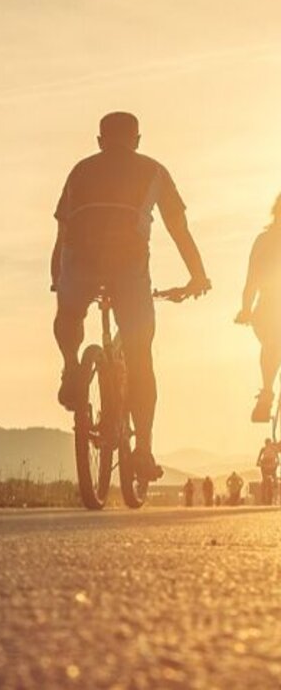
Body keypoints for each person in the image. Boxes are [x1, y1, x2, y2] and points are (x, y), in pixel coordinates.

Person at [51, 112, 211, 482]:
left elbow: (61, 233)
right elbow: (178, 228)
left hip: (79, 260)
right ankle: (142, 450)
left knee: (69, 313)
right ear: (137, 140)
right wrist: (197, 275)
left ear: (99, 140)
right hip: (127, 266)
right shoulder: (154, 170)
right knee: (140, 358)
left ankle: (72, 368)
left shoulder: (79, 171)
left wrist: (57, 280)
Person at [235, 195, 281, 422]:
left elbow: (251, 280)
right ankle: (266, 394)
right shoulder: (264, 241)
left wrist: (245, 310)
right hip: (269, 310)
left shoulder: (263, 240)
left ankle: (266, 394)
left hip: (265, 309)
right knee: (274, 342)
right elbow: (252, 279)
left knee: (272, 344)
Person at [256, 438, 279, 504]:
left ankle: (275, 483)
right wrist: (258, 462)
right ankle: (265, 489)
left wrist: (278, 462)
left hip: (271, 464)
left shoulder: (273, 449)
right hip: (265, 464)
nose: (268, 444)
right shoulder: (263, 449)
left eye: (269, 443)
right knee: (264, 478)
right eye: (267, 443)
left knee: (274, 475)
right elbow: (259, 457)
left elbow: (277, 457)